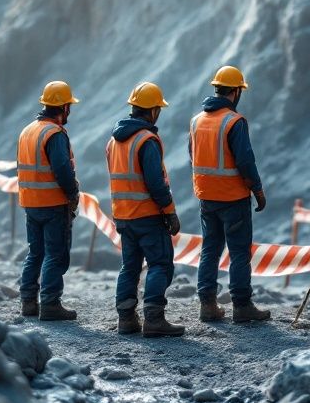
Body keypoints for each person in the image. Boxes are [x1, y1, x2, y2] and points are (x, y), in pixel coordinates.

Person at [189, 65, 270, 323]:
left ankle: (208, 306)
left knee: (209, 250)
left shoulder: (196, 120)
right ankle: (242, 306)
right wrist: (257, 189)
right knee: (238, 253)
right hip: (233, 198)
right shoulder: (234, 122)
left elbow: (193, 155)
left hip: (206, 198)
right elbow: (246, 160)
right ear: (235, 92)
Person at [106, 82, 184, 337]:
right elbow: (156, 183)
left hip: (123, 216)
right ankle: (154, 319)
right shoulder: (146, 140)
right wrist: (170, 211)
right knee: (160, 264)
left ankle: (126, 319)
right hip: (147, 215)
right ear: (151, 111)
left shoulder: (114, 142)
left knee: (130, 267)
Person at [17, 80, 80, 321]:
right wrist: (72, 192)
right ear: (64, 107)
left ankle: (28, 302)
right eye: (68, 106)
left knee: (36, 252)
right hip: (53, 203)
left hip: (30, 203)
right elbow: (62, 168)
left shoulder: (27, 131)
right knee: (56, 253)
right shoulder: (54, 134)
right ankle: (51, 304)